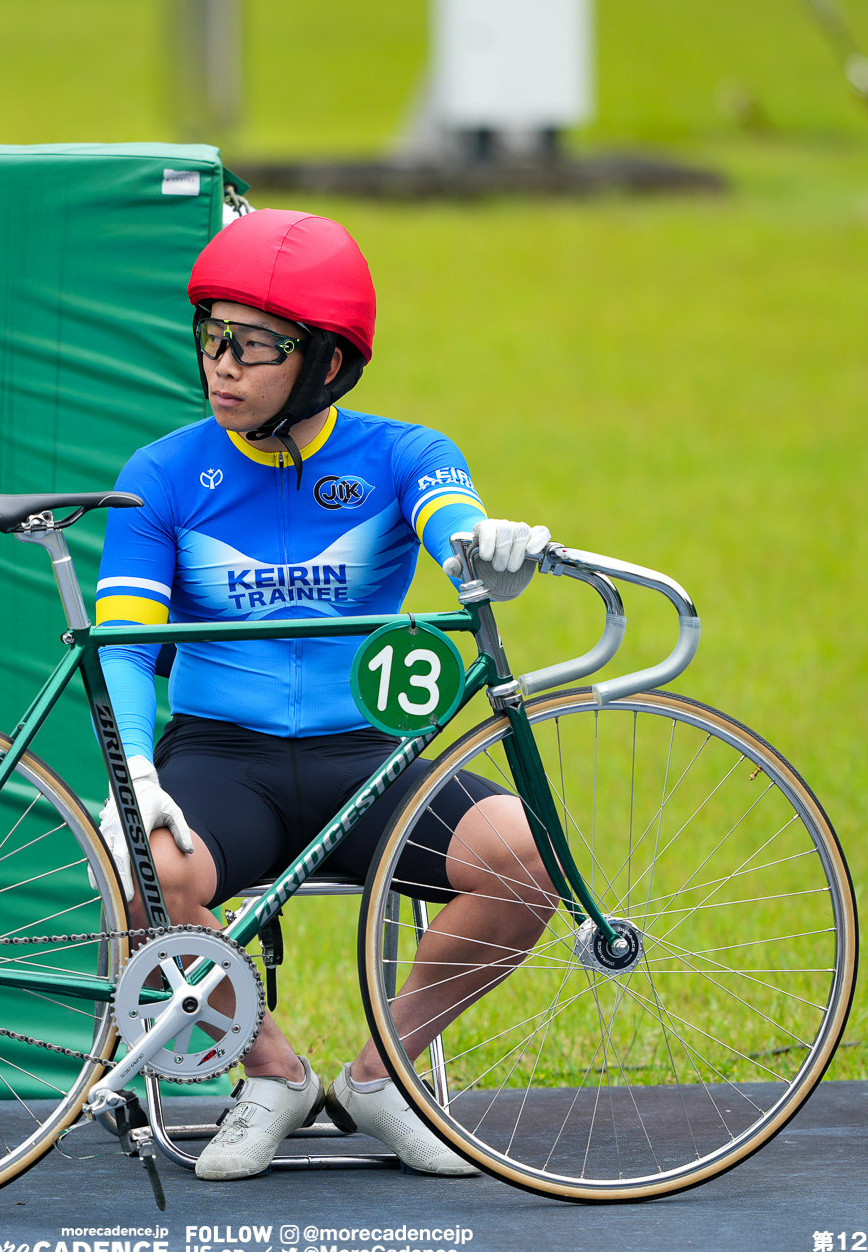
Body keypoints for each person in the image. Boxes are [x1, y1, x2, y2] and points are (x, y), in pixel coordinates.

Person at [94, 208, 558, 1181]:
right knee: (143, 864)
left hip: (368, 759)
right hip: (221, 755)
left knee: (525, 855)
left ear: (325, 363)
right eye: (211, 337)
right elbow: (126, 646)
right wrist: (135, 766)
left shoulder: (402, 452)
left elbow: (451, 523)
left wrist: (484, 549)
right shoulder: (161, 474)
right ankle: (271, 1075)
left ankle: (383, 1075)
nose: (221, 364)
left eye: (252, 346)